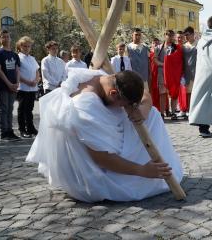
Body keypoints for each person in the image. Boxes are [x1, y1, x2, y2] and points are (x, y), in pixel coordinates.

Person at [26, 69, 183, 202]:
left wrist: (143, 109)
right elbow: (101, 158)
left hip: (106, 143)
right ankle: (149, 171)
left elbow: (144, 95)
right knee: (149, 117)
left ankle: (159, 167)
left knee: (152, 114)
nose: (126, 108)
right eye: (124, 105)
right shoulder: (86, 104)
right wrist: (142, 170)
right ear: (113, 94)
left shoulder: (106, 78)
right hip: (93, 169)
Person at [0, 29, 21, 141]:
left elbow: (17, 70)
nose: (6, 38)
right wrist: (9, 83)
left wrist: (17, 83)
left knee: (10, 109)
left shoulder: (14, 55)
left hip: (13, 86)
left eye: (7, 36)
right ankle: (4, 132)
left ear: (10, 38)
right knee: (4, 109)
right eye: (3, 37)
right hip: (3, 86)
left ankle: (10, 131)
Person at [152, 30, 183, 120]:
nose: (171, 37)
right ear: (165, 35)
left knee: (173, 93)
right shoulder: (158, 47)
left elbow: (179, 60)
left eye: (172, 35)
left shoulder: (177, 47)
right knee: (162, 93)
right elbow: (155, 60)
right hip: (162, 73)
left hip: (173, 74)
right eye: (169, 35)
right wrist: (164, 64)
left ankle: (173, 112)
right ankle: (162, 113)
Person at [16, 36, 40, 138]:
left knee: (29, 109)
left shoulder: (32, 58)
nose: (26, 48)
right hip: (23, 87)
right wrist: (27, 82)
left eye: (28, 46)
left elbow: (37, 72)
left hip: (32, 88)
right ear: (20, 46)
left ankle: (30, 128)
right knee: (22, 109)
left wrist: (36, 80)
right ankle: (22, 129)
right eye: (24, 46)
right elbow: (17, 73)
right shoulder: (18, 57)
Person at [178, 26, 197, 118]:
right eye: (185, 35)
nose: (186, 37)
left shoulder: (199, 44)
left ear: (193, 34)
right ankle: (190, 110)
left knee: (197, 92)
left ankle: (197, 110)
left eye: (187, 35)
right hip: (187, 73)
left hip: (198, 72)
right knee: (188, 92)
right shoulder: (184, 46)